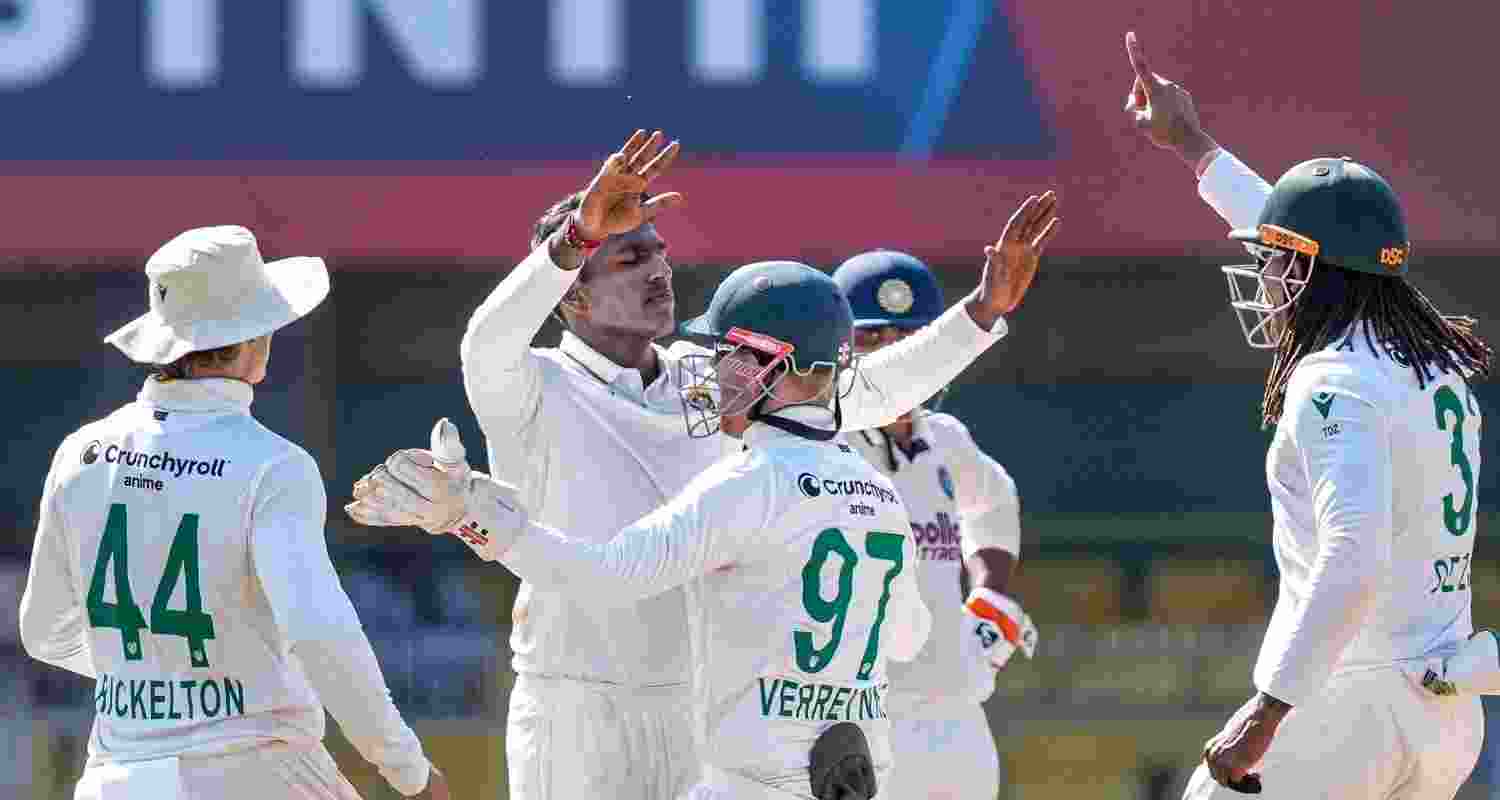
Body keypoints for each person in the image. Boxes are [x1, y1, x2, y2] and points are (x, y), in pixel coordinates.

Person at [450, 129, 1060, 800]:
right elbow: (487, 337)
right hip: (578, 707)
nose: (659, 269)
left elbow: (866, 387)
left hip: (698, 710)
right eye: (628, 257)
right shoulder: (533, 384)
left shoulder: (711, 379)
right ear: (573, 295)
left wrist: (981, 312)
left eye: (658, 250)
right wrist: (576, 235)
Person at [347, 259, 950, 800]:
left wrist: (468, 517)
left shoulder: (747, 482)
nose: (712, 372)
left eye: (726, 354)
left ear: (771, 363)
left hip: (742, 781)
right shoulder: (877, 489)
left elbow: (607, 574)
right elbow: (906, 637)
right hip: (848, 775)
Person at [1125, 30, 1494, 798]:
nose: (1261, 278)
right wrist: (1193, 146)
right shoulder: (1431, 361)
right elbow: (1306, 227)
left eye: (1272, 263)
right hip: (1446, 711)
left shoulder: (1333, 379)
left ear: (1306, 272)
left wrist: (1266, 712)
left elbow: (1352, 557)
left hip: (1348, 705)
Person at [19, 226, 448, 800]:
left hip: (115, 782)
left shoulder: (79, 452)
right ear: (255, 340)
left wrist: (160, 677)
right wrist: (410, 773)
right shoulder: (273, 465)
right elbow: (322, 633)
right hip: (258, 773)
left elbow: (44, 632)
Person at [831, 250, 1036, 800]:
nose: (895, 353)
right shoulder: (826, 446)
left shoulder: (945, 439)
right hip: (864, 720)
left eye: (910, 337)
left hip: (956, 715)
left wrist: (990, 601)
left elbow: (993, 503)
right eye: (873, 339)